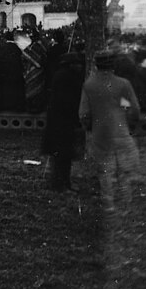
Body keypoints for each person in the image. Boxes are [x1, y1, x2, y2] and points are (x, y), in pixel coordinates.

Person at [81, 48, 143, 210]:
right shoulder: (123, 84)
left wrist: (90, 127)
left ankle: (108, 203)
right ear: (113, 64)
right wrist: (130, 123)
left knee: (105, 169)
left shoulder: (89, 85)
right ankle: (126, 200)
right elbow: (134, 109)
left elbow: (84, 114)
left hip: (100, 132)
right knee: (125, 168)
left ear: (96, 64)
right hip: (121, 130)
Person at [41, 52, 86, 191]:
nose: (80, 66)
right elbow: (68, 101)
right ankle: (61, 184)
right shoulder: (68, 78)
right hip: (63, 121)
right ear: (71, 65)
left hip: (58, 120)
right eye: (77, 64)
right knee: (63, 155)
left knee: (60, 155)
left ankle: (60, 183)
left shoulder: (61, 75)